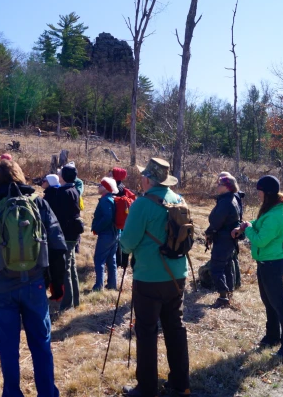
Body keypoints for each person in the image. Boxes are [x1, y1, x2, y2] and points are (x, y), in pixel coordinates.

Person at [0, 160, 67, 397]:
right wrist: (57, 283)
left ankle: (12, 393)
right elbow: (58, 247)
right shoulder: (39, 203)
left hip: (1, 286)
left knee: (8, 348)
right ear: (21, 176)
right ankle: (47, 393)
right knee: (41, 345)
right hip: (35, 283)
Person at [120, 158, 189, 397]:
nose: (141, 179)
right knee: (175, 328)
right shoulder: (180, 200)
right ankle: (181, 383)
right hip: (178, 276)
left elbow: (127, 243)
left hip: (150, 277)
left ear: (148, 179)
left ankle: (147, 389)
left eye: (142, 176)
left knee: (147, 331)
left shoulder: (142, 204)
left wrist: (123, 246)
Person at [233, 175, 283, 358]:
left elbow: (260, 240)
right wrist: (247, 224)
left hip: (272, 264)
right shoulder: (271, 209)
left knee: (279, 305)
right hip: (265, 262)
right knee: (269, 303)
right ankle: (272, 336)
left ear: (267, 192)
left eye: (259, 191)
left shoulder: (276, 215)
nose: (258, 194)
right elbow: (258, 224)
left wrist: (247, 229)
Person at [206, 173, 242, 308]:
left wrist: (209, 233)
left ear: (227, 187)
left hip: (223, 239)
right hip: (228, 239)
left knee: (216, 267)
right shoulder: (231, 198)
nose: (217, 186)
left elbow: (216, 221)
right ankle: (229, 292)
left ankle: (222, 297)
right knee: (226, 265)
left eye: (219, 184)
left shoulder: (226, 201)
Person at [54, 163, 83, 311]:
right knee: (71, 268)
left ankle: (67, 304)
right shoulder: (74, 190)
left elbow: (59, 216)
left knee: (65, 269)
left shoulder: (62, 192)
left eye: (60, 174)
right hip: (73, 234)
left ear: (64, 177)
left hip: (65, 235)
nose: (58, 176)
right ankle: (76, 300)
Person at [92, 177, 119, 291]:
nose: (99, 187)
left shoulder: (105, 200)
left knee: (99, 259)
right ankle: (112, 284)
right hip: (115, 234)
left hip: (106, 235)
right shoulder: (112, 198)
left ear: (106, 188)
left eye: (101, 185)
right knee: (111, 259)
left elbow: (107, 217)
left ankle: (98, 286)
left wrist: (97, 228)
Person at [220, 171, 245, 289]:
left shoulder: (231, 197)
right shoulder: (237, 195)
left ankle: (232, 284)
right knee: (233, 258)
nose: (218, 184)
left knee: (230, 259)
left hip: (231, 232)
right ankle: (235, 283)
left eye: (220, 182)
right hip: (235, 230)